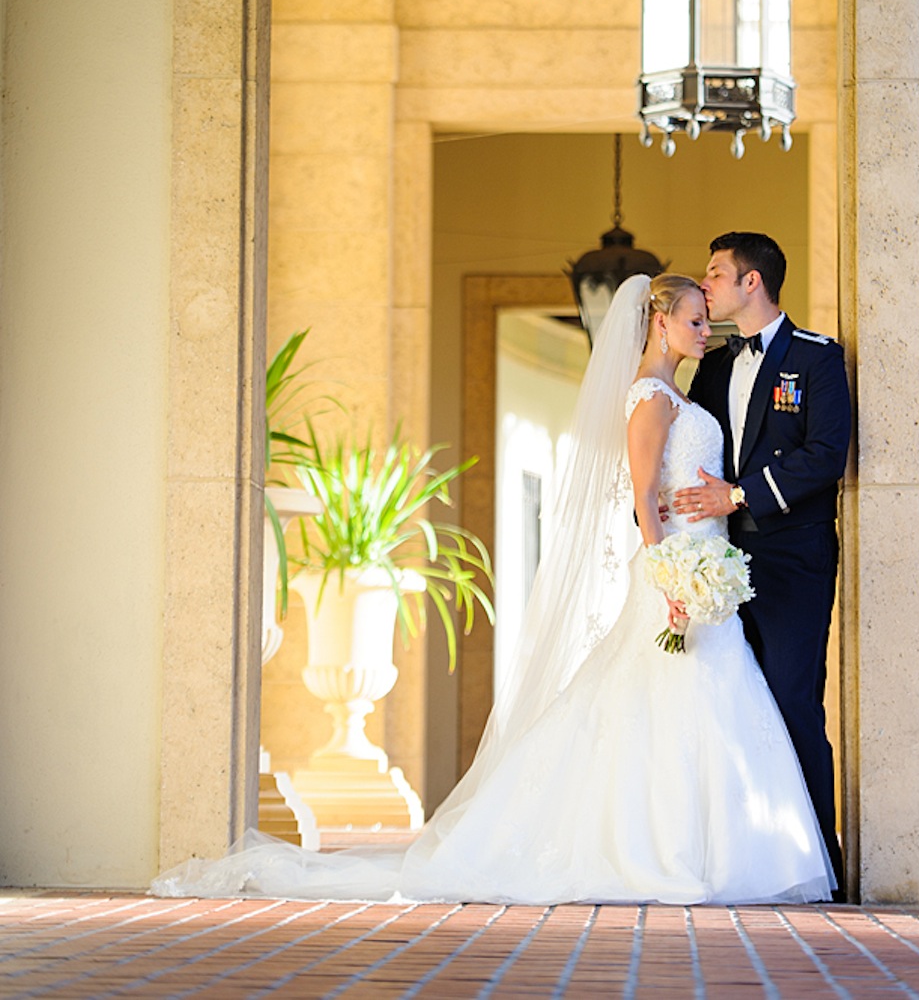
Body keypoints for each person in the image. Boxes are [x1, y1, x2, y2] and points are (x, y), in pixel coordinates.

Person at [153, 274, 834, 905]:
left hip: (707, 562)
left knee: (699, 703)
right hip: (676, 574)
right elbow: (642, 497)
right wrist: (669, 578)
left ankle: (721, 853)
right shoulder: (650, 400)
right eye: (694, 319)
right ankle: (664, 851)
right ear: (660, 323)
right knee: (670, 701)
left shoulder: (685, 393)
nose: (704, 332)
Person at [671, 233, 851, 894]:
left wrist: (741, 495)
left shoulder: (817, 358)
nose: (706, 285)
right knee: (727, 702)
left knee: (792, 701)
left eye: (716, 274)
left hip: (793, 558)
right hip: (719, 557)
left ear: (752, 283)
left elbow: (826, 454)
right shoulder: (714, 363)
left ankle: (819, 865)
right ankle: (745, 860)